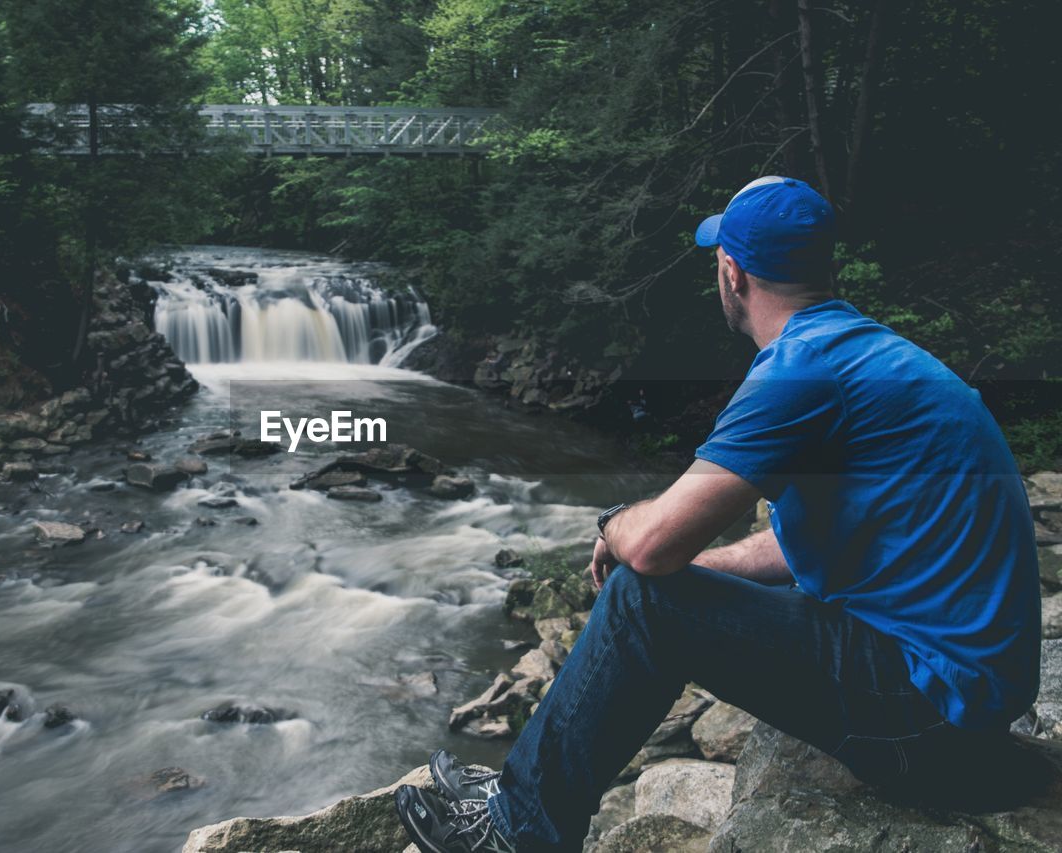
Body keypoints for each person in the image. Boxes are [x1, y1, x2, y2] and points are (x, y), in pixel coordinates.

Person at [394, 176, 1042, 853]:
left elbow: (647, 551)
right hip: (961, 716)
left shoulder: (803, 371)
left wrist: (615, 522)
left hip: (930, 726)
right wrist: (698, 573)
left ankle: (515, 829)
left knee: (643, 596)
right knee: (664, 587)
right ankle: (517, 794)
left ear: (732, 273)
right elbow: (793, 552)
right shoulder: (869, 354)